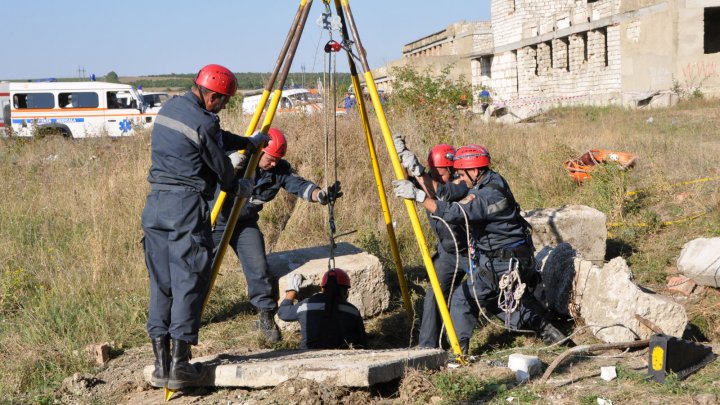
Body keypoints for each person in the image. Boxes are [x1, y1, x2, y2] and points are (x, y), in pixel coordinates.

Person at [141, 64, 270, 390]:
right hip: (184, 208)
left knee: (162, 284)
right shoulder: (203, 121)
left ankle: (162, 366)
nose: (224, 106)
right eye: (224, 101)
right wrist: (238, 185)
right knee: (188, 281)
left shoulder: (172, 107)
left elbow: (213, 138)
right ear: (211, 95)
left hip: (155, 207)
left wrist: (246, 142)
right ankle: (182, 367)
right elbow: (220, 165)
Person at [393, 144, 565, 355]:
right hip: (498, 257)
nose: (460, 177)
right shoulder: (491, 180)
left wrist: (420, 197)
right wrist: (411, 167)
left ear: (473, 171)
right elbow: (444, 192)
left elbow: (455, 211)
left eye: (461, 172)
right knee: (488, 300)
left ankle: (458, 354)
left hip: (497, 260)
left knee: (466, 300)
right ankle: (544, 327)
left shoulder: (485, 196)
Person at [211, 127, 343, 345]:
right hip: (216, 222)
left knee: (259, 267)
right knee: (200, 268)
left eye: (276, 160)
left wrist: (320, 195)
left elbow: (298, 185)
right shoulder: (235, 160)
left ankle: (264, 314)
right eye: (270, 159)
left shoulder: (278, 169)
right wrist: (227, 167)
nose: (273, 164)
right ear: (259, 151)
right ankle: (189, 315)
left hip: (244, 224)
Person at [392, 136, 469, 348]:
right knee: (434, 295)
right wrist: (403, 156)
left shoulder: (463, 182)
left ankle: (539, 327)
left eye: (440, 173)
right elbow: (415, 182)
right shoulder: (431, 179)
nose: (435, 176)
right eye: (432, 172)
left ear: (452, 169)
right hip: (448, 252)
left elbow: (442, 193)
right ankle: (427, 347)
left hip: (472, 249)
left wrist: (419, 172)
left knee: (489, 293)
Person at [278, 269, 366, 349]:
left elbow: (282, 313)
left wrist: (292, 291)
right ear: (346, 291)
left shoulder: (306, 305)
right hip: (339, 358)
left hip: (309, 356)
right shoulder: (353, 311)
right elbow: (362, 343)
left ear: (322, 288)